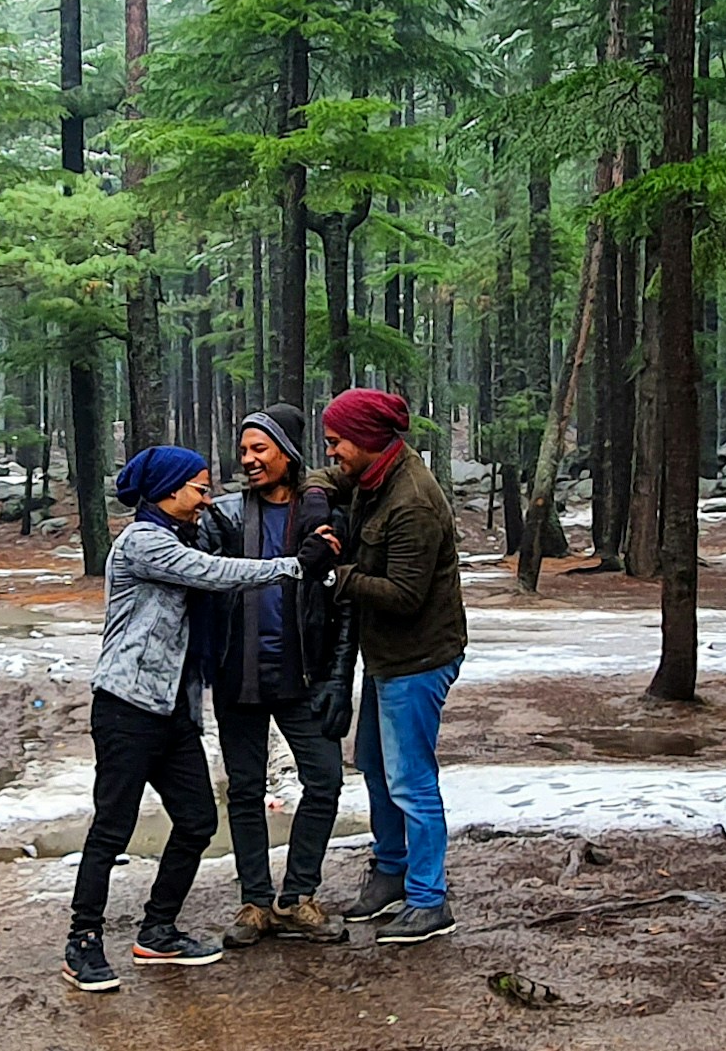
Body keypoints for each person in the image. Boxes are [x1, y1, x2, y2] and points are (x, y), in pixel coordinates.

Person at [65, 444, 326, 994]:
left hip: (172, 711)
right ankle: (82, 941)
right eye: (200, 488)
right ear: (170, 488)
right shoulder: (144, 541)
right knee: (111, 828)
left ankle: (158, 929)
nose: (207, 498)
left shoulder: (183, 533)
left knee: (197, 821)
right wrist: (295, 566)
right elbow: (211, 572)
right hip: (127, 707)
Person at [321, 386, 466, 945]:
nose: (331, 451)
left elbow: (404, 594)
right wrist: (313, 495)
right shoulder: (373, 474)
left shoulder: (412, 502)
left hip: (418, 658)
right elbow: (328, 480)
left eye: (336, 442)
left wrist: (338, 574)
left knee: (410, 779)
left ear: (365, 440)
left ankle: (430, 900)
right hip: (386, 657)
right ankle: (390, 871)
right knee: (376, 767)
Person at [202, 403, 349, 946]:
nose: (248, 460)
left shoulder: (321, 512)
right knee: (244, 788)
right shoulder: (227, 516)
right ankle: (254, 903)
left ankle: (298, 895)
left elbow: (340, 602)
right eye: (243, 451)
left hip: (300, 673)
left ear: (286, 453)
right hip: (236, 672)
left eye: (259, 449)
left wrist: (336, 675)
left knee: (326, 778)